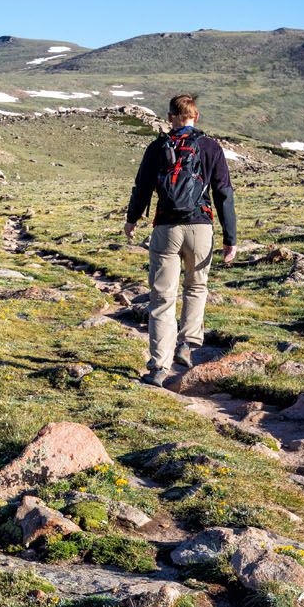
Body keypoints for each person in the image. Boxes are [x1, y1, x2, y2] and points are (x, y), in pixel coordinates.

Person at [123, 94, 238, 387]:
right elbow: (223, 192)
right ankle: (187, 344)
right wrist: (230, 237)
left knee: (162, 298)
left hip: (166, 228)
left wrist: (132, 219)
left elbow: (142, 187)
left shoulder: (158, 147)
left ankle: (158, 367)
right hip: (200, 227)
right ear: (195, 116)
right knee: (196, 287)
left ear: (171, 116)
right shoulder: (210, 147)